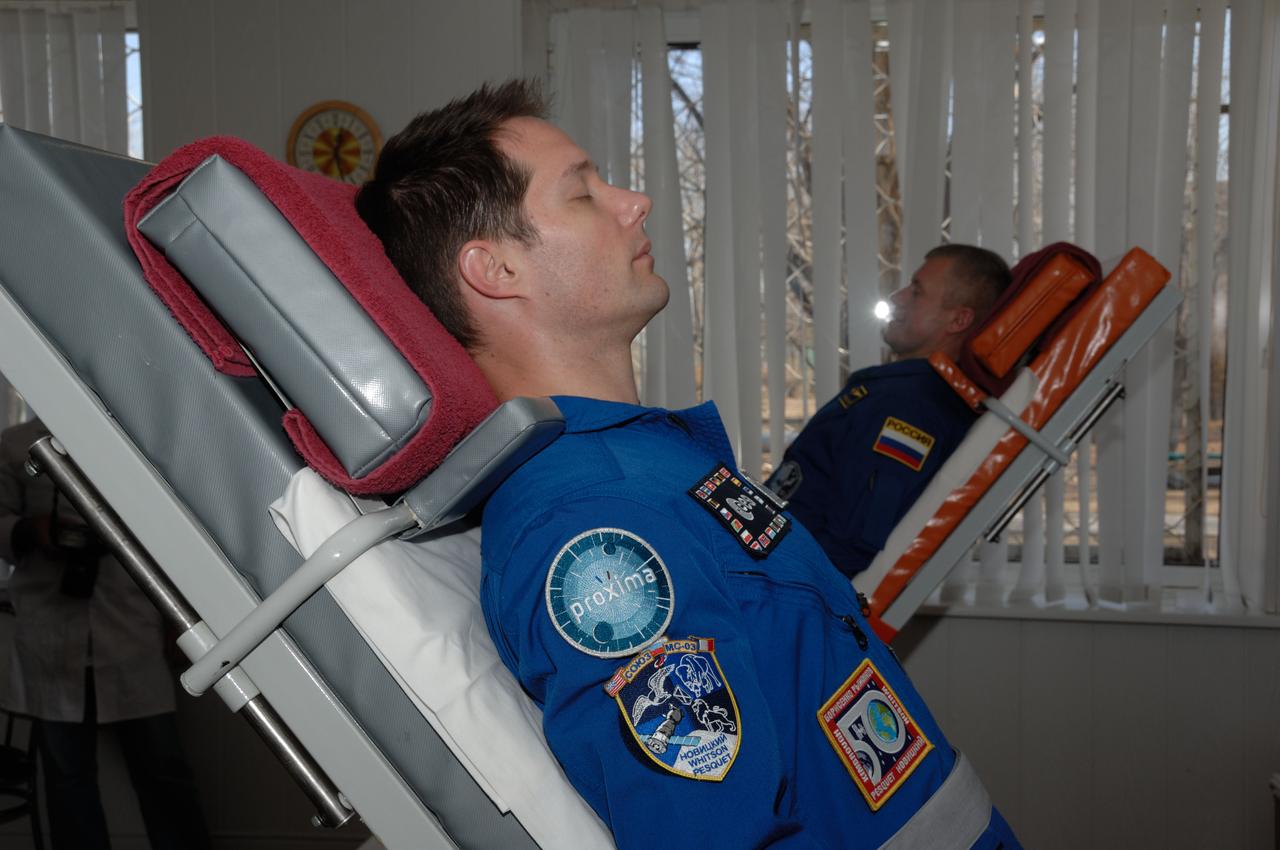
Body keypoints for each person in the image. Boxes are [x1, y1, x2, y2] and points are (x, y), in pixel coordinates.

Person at [357, 80, 1019, 850]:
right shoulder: (597, 526)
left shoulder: (641, 459)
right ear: (495, 269)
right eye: (582, 194)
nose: (633, 201)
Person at [0, 417, 211, 850]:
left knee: (164, 772)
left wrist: (179, 623)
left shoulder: (135, 437)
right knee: (66, 780)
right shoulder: (15, 446)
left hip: (130, 624)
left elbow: (171, 531)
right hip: (51, 630)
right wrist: (31, 530)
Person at [767, 246, 1012, 578]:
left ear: (958, 319)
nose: (897, 298)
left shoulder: (911, 409)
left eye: (916, 291)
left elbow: (848, 546)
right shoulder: (900, 392)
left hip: (776, 580)